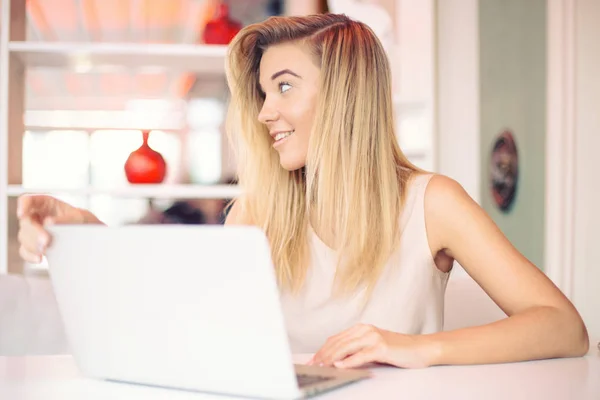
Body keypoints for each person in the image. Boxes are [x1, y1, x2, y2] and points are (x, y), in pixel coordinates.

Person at [17, 13, 588, 369]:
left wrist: (415, 348)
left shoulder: (432, 202)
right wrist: (86, 236)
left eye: (283, 87)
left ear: (343, 94)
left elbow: (563, 327)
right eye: (263, 93)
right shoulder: (256, 213)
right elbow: (178, 312)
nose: (265, 113)